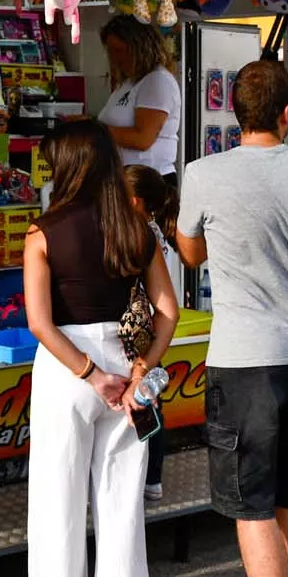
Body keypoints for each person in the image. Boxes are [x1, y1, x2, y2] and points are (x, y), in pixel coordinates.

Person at [175, 60, 288, 577]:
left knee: (251, 501)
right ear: (287, 114)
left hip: (242, 359)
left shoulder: (204, 173)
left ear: (236, 116)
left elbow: (189, 252)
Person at [23, 119, 179, 577]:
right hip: (127, 365)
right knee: (122, 503)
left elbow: (39, 323)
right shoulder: (137, 229)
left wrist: (90, 374)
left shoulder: (43, 232)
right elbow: (167, 309)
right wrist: (142, 370)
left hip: (66, 368)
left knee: (58, 502)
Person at [125, 164, 183, 502]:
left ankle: (151, 473)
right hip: (151, 327)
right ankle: (152, 476)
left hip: (143, 329)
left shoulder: (143, 236)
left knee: (146, 401)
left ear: (133, 201)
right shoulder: (153, 231)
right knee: (148, 399)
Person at [98, 16, 181, 181]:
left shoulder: (157, 80)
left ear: (138, 47)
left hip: (148, 180)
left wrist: (94, 131)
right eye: (110, 51)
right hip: (124, 177)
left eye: (119, 50)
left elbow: (142, 138)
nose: (114, 58)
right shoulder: (129, 82)